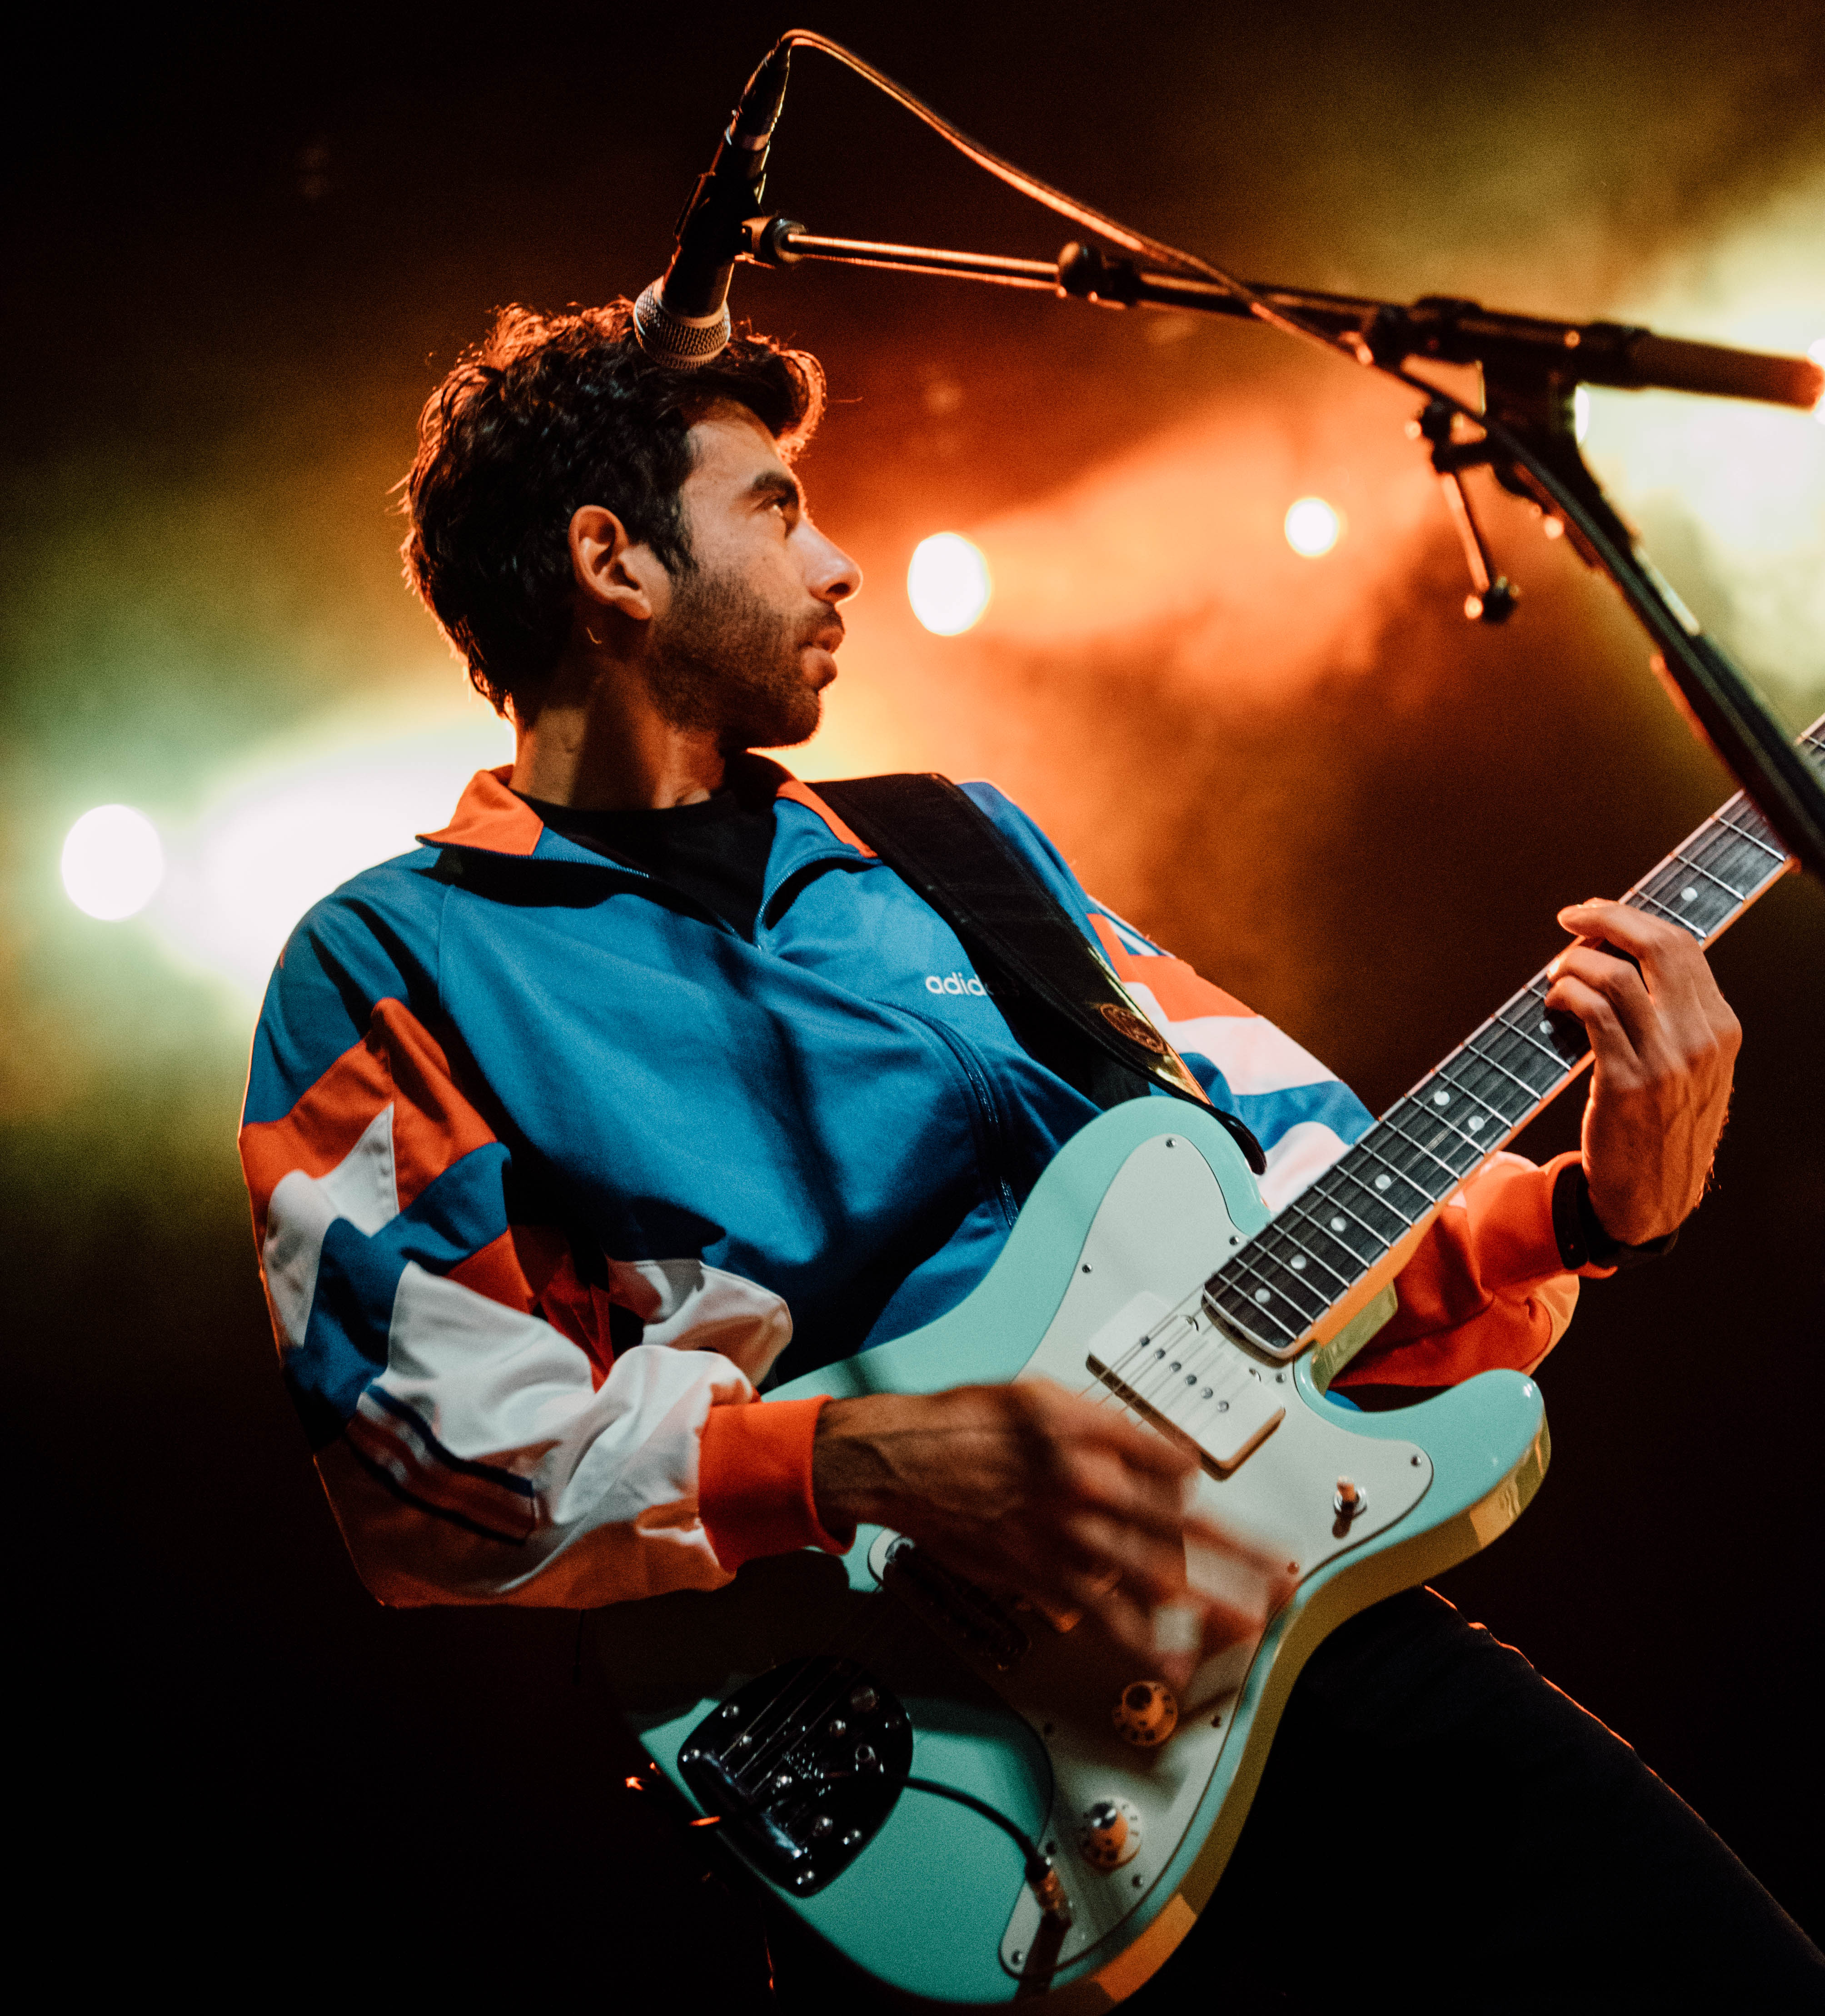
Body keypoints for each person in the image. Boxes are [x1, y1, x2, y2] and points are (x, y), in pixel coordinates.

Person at [238, 301, 1820, 2000]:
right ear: (610, 563)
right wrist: (851, 1460)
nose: (840, 561)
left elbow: (1300, 1186)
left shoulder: (954, 844)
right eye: (777, 508)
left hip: (1300, 1641)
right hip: (946, 1783)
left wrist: (1586, 1211)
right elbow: (430, 1460)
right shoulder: (396, 962)